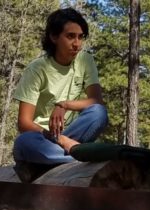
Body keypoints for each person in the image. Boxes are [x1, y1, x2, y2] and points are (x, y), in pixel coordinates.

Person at [12, 7, 108, 165]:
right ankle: (82, 157)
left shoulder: (85, 60)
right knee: (24, 142)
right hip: (42, 138)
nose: (77, 44)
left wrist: (64, 105)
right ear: (54, 37)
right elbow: (24, 123)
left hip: (72, 135)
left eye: (80, 37)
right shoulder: (37, 69)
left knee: (99, 112)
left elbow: (96, 101)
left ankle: (54, 161)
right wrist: (61, 140)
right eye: (70, 36)